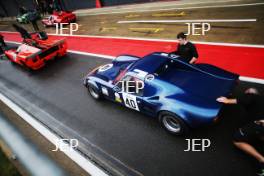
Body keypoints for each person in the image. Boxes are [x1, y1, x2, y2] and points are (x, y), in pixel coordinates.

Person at [217, 88, 264, 175]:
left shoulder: (252, 96)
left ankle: (262, 159)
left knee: (237, 139)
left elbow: (244, 100)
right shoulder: (260, 101)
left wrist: (226, 100)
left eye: (246, 92)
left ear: (250, 93)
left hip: (260, 124)